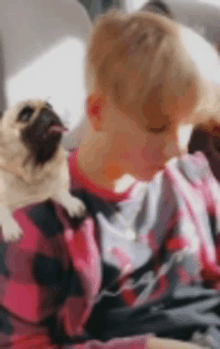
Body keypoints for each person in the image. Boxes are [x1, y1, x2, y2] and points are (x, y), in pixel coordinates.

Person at [0, 9, 220, 349]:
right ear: (99, 113)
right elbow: (25, 343)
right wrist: (144, 348)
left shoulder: (192, 180)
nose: (178, 146)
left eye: (187, 123)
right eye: (157, 128)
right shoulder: (38, 222)